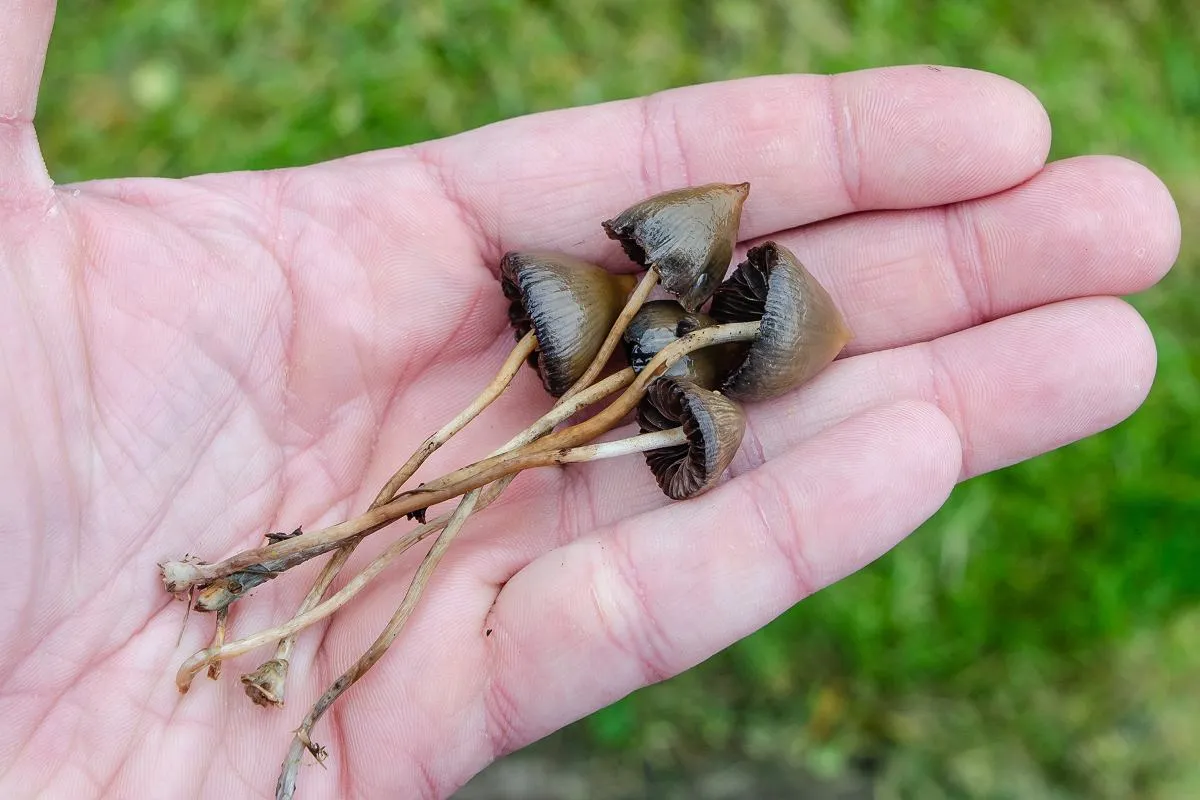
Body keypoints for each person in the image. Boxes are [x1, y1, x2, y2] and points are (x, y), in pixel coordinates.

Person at [0, 4, 1181, 799]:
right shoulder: (635, 319)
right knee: (454, 477)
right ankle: (258, 600)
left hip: (665, 364)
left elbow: (664, 363)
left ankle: (261, 613)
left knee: (490, 470)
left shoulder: (684, 347)